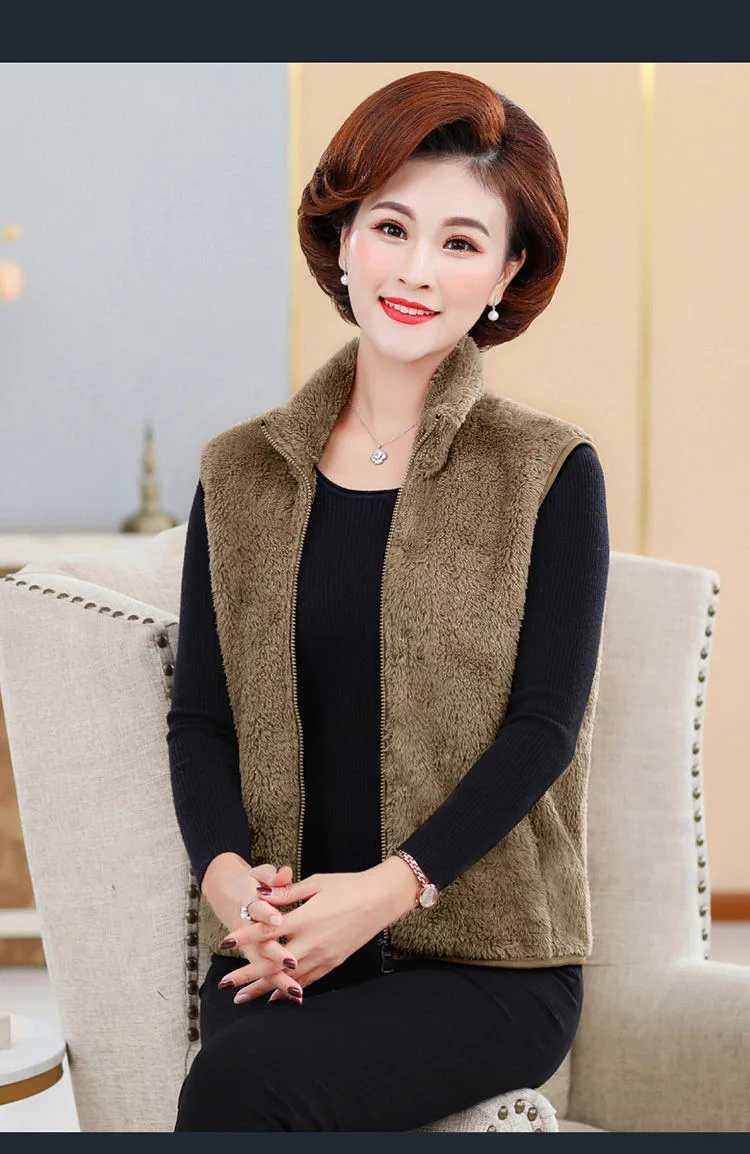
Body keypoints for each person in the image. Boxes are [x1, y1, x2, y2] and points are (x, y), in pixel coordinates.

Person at [169, 69, 610, 1133]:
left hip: (486, 965)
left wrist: (390, 888)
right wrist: (232, 890)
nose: (416, 269)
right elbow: (202, 719)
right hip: (281, 949)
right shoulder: (239, 473)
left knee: (237, 1089)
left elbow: (544, 729)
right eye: (392, 227)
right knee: (244, 1073)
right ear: (343, 239)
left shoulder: (549, 471)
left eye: (461, 241)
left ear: (506, 270)